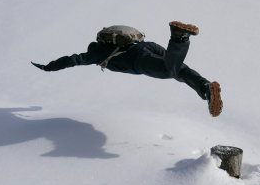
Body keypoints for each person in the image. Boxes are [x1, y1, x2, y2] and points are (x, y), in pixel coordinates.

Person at [32, 21, 223, 117]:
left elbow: (73, 60)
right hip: (148, 45)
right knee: (179, 69)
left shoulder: (97, 53)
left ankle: (179, 37)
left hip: (138, 59)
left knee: (169, 71)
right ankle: (206, 88)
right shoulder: (114, 45)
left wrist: (49, 67)